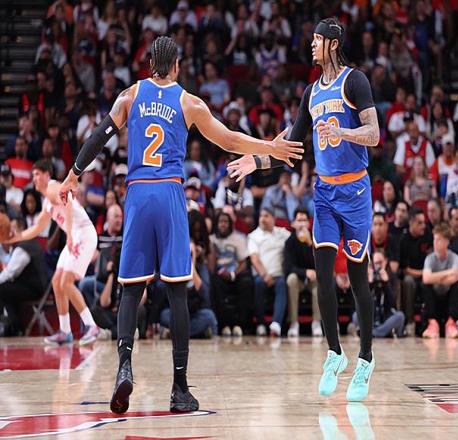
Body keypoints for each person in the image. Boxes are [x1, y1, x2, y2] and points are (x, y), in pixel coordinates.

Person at [58, 36, 302, 415]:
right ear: (175, 66)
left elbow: (98, 137)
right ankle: (180, 388)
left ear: (150, 64)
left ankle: (125, 365)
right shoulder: (189, 102)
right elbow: (229, 140)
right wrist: (270, 147)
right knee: (177, 291)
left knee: (130, 290)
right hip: (170, 193)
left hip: (138, 194)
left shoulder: (130, 95)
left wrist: (73, 174)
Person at [228, 17, 380, 401]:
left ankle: (365, 359)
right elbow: (290, 148)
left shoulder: (355, 81)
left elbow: (374, 134)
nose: (312, 45)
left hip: (356, 192)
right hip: (325, 193)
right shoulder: (311, 92)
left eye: (317, 40)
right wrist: (256, 161)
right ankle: (334, 353)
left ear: (333, 43)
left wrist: (342, 132)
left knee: (358, 280)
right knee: (322, 274)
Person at [3, 160, 100, 345]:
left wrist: (69, 234)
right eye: (33, 175)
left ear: (47, 175)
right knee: (57, 281)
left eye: (37, 174)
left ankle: (91, 326)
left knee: (66, 282)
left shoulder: (53, 187)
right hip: (76, 234)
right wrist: (13, 239)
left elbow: (68, 202)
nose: (34, 179)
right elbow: (37, 228)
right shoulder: (47, 201)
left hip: (82, 233)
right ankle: (65, 331)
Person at [0, 215, 47, 335]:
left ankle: (15, 327)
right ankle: (13, 326)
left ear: (22, 229)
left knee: (2, 288)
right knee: (7, 290)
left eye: (12, 228)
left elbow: (10, 273)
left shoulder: (24, 246)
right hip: (32, 285)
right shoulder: (25, 243)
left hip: (34, 289)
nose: (10, 232)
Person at [209, 212, 253, 336]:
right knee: (214, 283)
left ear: (230, 224)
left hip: (235, 273)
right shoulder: (211, 239)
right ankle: (224, 325)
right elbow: (211, 267)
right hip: (219, 274)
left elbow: (243, 263)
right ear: (216, 224)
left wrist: (233, 274)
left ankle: (240, 325)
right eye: (220, 222)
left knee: (247, 282)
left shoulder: (239, 238)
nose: (223, 224)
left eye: (225, 222)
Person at [248, 208, 290, 337]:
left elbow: (295, 241)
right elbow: (254, 258)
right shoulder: (254, 236)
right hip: (262, 275)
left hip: (279, 275)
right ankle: (260, 324)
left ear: (273, 219)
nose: (262, 219)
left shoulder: (282, 233)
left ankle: (276, 324)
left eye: (266, 216)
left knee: (282, 284)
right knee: (259, 284)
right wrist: (265, 275)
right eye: (261, 216)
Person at [284, 208, 322, 338]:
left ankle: (316, 323)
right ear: (293, 223)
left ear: (309, 223)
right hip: (299, 278)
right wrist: (305, 272)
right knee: (291, 279)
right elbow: (288, 267)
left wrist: (310, 243)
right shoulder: (289, 242)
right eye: (299, 220)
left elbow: (320, 263)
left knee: (320, 282)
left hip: (314, 279)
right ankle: (294, 323)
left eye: (304, 220)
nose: (302, 224)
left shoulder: (315, 239)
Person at [352, 250, 405, 338]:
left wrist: (386, 283)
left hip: (386, 317)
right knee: (355, 315)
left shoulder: (391, 276)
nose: (378, 266)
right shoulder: (367, 276)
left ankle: (372, 333)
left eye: (380, 262)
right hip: (371, 318)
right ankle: (380, 332)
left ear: (385, 261)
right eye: (375, 263)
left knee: (400, 316)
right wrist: (370, 284)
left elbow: (393, 303)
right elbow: (362, 303)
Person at [422, 223, 458, 338]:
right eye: (434, 239)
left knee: (456, 285)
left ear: (446, 242)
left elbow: (454, 278)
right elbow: (426, 278)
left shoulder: (454, 257)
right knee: (425, 286)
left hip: (447, 297)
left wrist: (434, 278)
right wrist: (447, 273)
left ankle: (450, 323)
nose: (435, 242)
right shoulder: (429, 258)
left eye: (438, 239)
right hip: (434, 297)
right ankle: (432, 324)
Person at [399, 207, 432, 336]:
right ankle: (410, 321)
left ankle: (431, 321)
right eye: (420, 223)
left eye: (424, 222)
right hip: (412, 275)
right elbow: (406, 270)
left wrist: (427, 274)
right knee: (408, 282)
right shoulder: (404, 240)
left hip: (427, 273)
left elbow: (432, 257)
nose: (423, 226)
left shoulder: (427, 235)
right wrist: (424, 273)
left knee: (429, 282)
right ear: (411, 223)